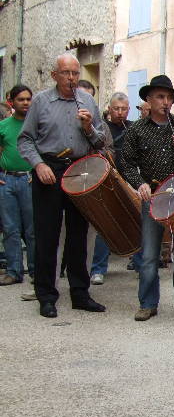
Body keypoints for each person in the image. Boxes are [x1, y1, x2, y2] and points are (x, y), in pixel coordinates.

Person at [17, 53, 107, 318]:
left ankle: (80, 293)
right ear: (54, 75)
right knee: (48, 235)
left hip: (79, 168)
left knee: (79, 234)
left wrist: (89, 127)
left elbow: (101, 141)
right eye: (66, 73)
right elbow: (25, 140)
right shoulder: (42, 102)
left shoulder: (87, 100)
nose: (71, 79)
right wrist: (38, 165)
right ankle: (46, 295)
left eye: (76, 74)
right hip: (50, 169)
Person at [121, 75, 174, 322]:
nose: (165, 102)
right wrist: (140, 184)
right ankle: (147, 303)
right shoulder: (137, 130)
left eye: (168, 97)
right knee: (149, 253)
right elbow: (126, 162)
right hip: (153, 195)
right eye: (160, 96)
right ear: (148, 99)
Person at [89, 92, 133, 285]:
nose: (120, 112)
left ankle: (139, 263)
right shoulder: (102, 128)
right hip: (106, 181)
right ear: (109, 108)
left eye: (124, 109)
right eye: (117, 108)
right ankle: (98, 269)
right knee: (105, 225)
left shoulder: (132, 128)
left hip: (128, 180)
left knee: (136, 219)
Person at [0, 85, 35, 286]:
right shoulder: (3, 126)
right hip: (7, 181)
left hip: (29, 180)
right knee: (10, 228)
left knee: (32, 230)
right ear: (11, 102)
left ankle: (35, 271)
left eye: (28, 99)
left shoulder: (37, 126)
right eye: (21, 99)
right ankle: (14, 271)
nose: (25, 103)